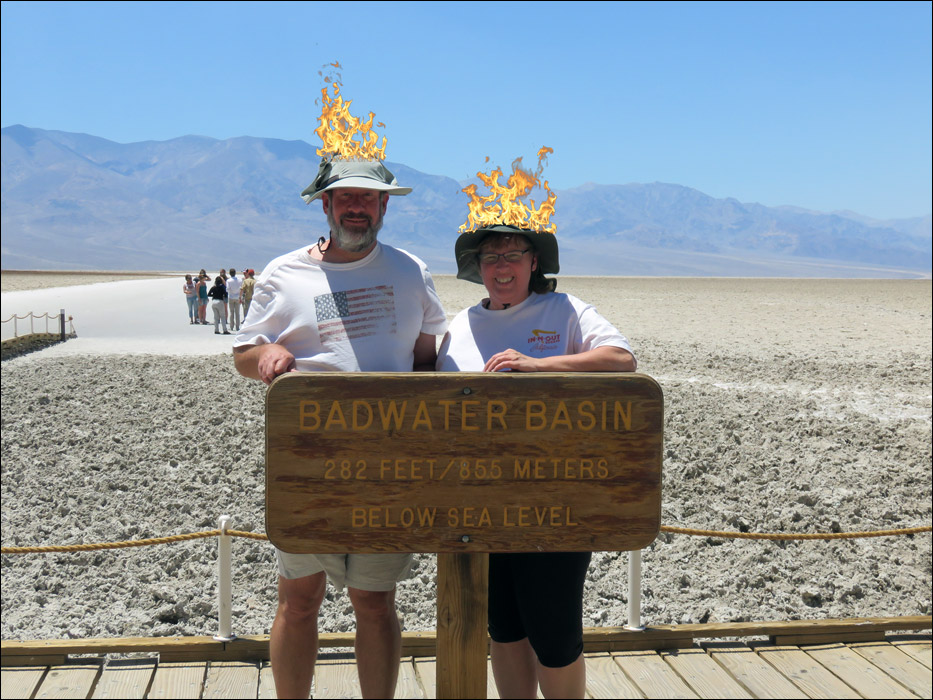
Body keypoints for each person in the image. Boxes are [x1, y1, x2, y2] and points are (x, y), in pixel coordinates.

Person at [233, 158, 446, 699]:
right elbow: (243, 352)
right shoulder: (284, 273)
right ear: (325, 206)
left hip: (388, 466)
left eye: (368, 199)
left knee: (374, 602)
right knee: (299, 598)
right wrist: (270, 350)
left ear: (384, 207)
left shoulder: (410, 271)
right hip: (308, 462)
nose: (357, 208)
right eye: (345, 198)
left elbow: (428, 358)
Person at [437, 219, 636, 698]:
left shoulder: (564, 310)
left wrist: (537, 365)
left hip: (555, 497)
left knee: (554, 630)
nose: (501, 266)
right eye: (491, 256)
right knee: (503, 626)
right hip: (479, 500)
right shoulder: (459, 325)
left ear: (534, 262)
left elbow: (621, 358)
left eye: (512, 254)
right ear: (477, 267)